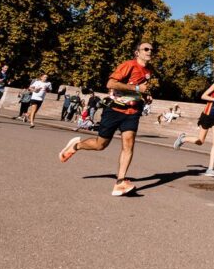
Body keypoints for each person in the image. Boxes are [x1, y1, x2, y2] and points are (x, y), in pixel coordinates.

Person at [58, 42, 154, 196]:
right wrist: (136, 88)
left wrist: (145, 96)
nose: (150, 51)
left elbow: (139, 89)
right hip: (115, 110)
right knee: (100, 145)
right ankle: (76, 146)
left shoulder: (148, 71)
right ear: (137, 52)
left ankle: (120, 182)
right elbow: (111, 83)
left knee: (128, 144)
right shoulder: (128, 65)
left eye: (151, 49)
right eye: (146, 49)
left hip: (133, 111)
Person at [173, 61, 214, 177]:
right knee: (200, 141)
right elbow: (203, 96)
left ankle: (210, 169)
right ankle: (183, 139)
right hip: (207, 115)